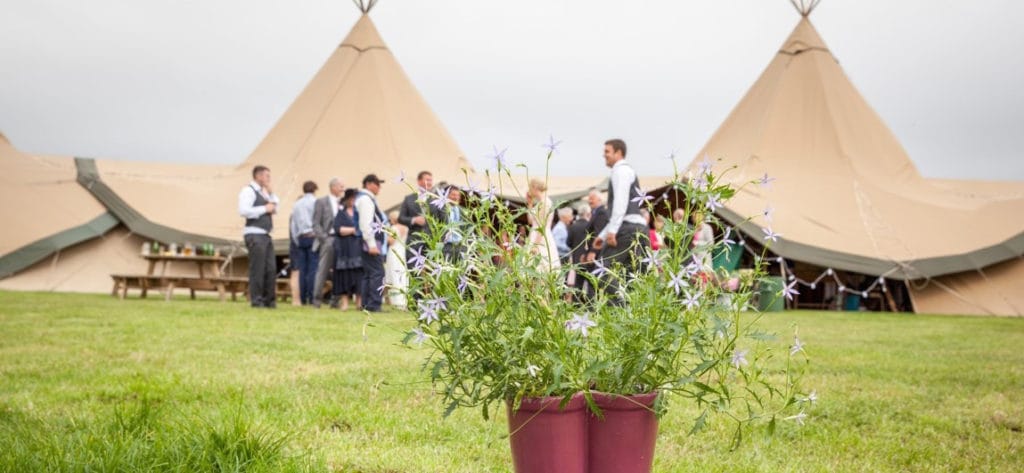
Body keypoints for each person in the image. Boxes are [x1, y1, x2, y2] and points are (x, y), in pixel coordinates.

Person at [592, 139, 648, 298]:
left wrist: (611, 232)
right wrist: (603, 235)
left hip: (627, 228)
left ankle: (622, 304)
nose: (604, 155)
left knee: (603, 270)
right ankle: (632, 313)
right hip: (638, 228)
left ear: (618, 152)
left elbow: (620, 204)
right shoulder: (626, 171)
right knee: (634, 276)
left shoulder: (620, 171)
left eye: (607, 151)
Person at [238, 165, 280, 308]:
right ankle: (257, 300)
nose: (269, 179)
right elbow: (243, 211)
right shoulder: (248, 191)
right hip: (254, 232)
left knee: (270, 268)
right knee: (258, 268)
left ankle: (269, 300)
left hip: (266, 234)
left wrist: (271, 194)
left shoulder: (265, 193)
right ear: (259, 176)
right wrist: (264, 209)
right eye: (267, 176)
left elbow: (276, 208)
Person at [355, 174, 388, 312]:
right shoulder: (366, 199)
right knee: (377, 273)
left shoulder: (366, 199)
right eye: (377, 184)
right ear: (368, 184)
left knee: (369, 274)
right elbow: (366, 223)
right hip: (370, 242)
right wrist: (372, 244)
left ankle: (367, 304)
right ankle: (374, 304)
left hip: (369, 242)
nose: (379, 187)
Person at [312, 178, 344, 308]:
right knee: (323, 270)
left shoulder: (343, 203)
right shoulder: (321, 202)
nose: (343, 189)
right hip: (328, 238)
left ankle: (335, 300)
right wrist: (324, 239)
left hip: (341, 240)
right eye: (341, 186)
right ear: (333, 187)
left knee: (340, 271)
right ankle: (317, 300)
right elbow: (315, 223)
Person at [333, 189, 363, 311]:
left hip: (358, 248)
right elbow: (338, 229)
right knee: (344, 276)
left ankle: (359, 303)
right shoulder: (341, 214)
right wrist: (354, 230)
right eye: (351, 198)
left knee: (359, 275)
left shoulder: (359, 213)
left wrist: (350, 230)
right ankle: (344, 303)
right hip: (344, 249)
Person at [289, 180, 318, 305]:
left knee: (302, 269)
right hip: (312, 236)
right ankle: (312, 297)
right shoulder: (316, 202)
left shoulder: (297, 204)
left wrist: (296, 239)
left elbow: (293, 225)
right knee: (313, 268)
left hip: (301, 237)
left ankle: (302, 297)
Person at [398, 171, 434, 267]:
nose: (430, 182)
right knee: (414, 273)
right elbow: (401, 218)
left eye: (431, 180)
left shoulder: (435, 200)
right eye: (427, 180)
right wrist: (414, 220)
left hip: (432, 243)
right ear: (419, 181)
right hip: (413, 242)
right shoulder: (408, 199)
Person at [525, 178, 561, 272]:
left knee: (541, 266)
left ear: (534, 187)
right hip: (534, 235)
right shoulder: (540, 203)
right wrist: (530, 204)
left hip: (540, 237)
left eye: (530, 187)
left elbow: (542, 226)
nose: (529, 190)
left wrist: (536, 245)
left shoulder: (545, 202)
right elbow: (530, 221)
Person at [386, 210, 409, 308]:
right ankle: (405, 299)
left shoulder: (394, 228)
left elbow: (391, 241)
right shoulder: (406, 228)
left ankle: (397, 300)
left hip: (394, 252)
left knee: (394, 274)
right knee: (403, 275)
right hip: (403, 251)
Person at [440, 185, 465, 262]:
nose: (456, 197)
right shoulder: (439, 208)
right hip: (445, 245)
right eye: (453, 195)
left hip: (460, 245)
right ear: (446, 195)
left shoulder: (462, 211)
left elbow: (466, 227)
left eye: (458, 195)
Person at [584, 190, 609, 263]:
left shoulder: (601, 213)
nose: (589, 201)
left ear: (599, 199)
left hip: (597, 254)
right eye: (589, 199)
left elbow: (599, 233)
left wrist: (593, 251)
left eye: (592, 199)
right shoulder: (595, 212)